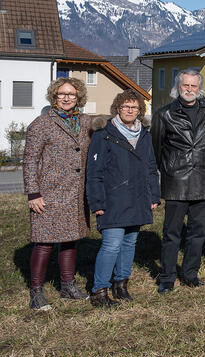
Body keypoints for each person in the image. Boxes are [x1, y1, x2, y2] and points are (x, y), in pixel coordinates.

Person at [23, 78, 92, 311]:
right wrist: (33, 193)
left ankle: (67, 285)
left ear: (79, 97)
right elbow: (30, 160)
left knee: (70, 239)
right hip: (48, 194)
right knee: (44, 243)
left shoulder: (84, 121)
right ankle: (36, 292)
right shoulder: (41, 124)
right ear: (54, 96)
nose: (66, 98)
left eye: (71, 94)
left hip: (75, 193)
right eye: (62, 94)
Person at [86, 90, 160, 307]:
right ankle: (99, 290)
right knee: (111, 245)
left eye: (134, 107)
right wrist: (97, 202)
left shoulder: (144, 135)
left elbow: (151, 167)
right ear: (117, 109)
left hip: (138, 198)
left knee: (129, 243)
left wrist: (154, 194)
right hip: (113, 199)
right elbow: (94, 172)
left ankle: (121, 285)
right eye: (125, 106)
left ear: (140, 110)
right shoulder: (103, 135)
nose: (130, 110)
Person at [152, 68, 205, 293]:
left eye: (193, 86)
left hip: (203, 179)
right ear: (177, 88)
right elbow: (157, 147)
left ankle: (191, 273)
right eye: (185, 86)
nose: (189, 90)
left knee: (197, 231)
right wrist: (171, 169)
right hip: (176, 180)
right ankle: (168, 277)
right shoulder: (164, 114)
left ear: (199, 88)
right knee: (172, 232)